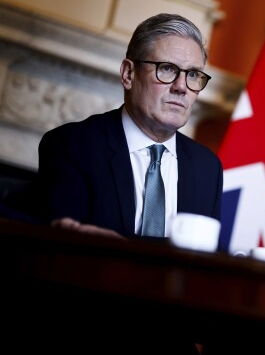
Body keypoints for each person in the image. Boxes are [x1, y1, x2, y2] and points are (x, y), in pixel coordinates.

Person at [34, 13, 223, 243]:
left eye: (193, 74)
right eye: (167, 69)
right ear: (128, 74)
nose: (181, 87)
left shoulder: (207, 168)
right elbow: (62, 253)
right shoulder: (72, 146)